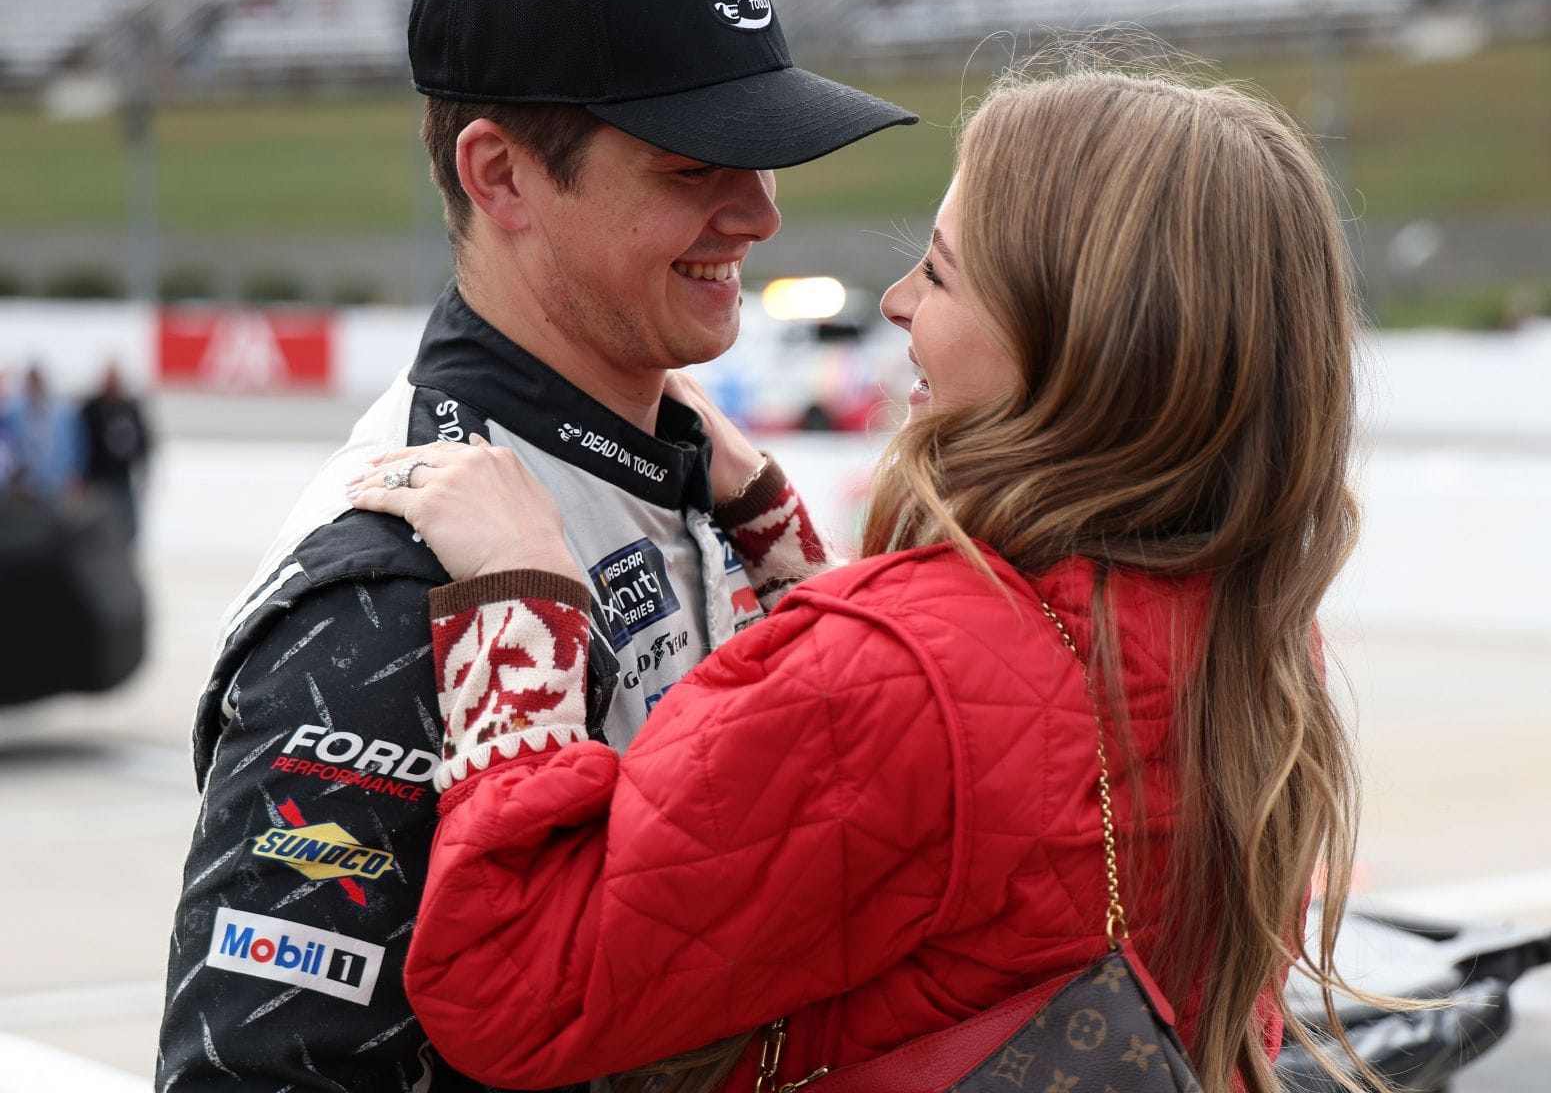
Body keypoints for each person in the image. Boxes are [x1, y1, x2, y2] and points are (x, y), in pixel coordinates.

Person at [348, 55, 1371, 1093]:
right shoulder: (1254, 631)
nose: (895, 303)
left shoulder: (894, 672)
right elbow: (969, 784)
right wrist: (779, 527)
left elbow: (513, 985)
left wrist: (518, 605)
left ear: (1070, 342)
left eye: (939, 271)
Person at [155, 0, 916, 1093]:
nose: (761, 212)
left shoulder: (692, 477)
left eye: (767, 151)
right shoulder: (392, 587)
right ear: (499, 173)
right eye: (693, 164)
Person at [78, 362, 151, 540]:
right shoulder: (91, 410)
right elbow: (81, 444)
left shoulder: (129, 408)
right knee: (96, 525)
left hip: (122, 478)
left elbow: (143, 443)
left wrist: (144, 474)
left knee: (128, 526)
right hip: (97, 480)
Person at [3, 364, 83, 503]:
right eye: (30, 384)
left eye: (36, 383)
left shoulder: (62, 414)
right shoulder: (14, 413)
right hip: (26, 487)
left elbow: (76, 446)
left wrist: (74, 474)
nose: (34, 388)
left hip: (56, 485)